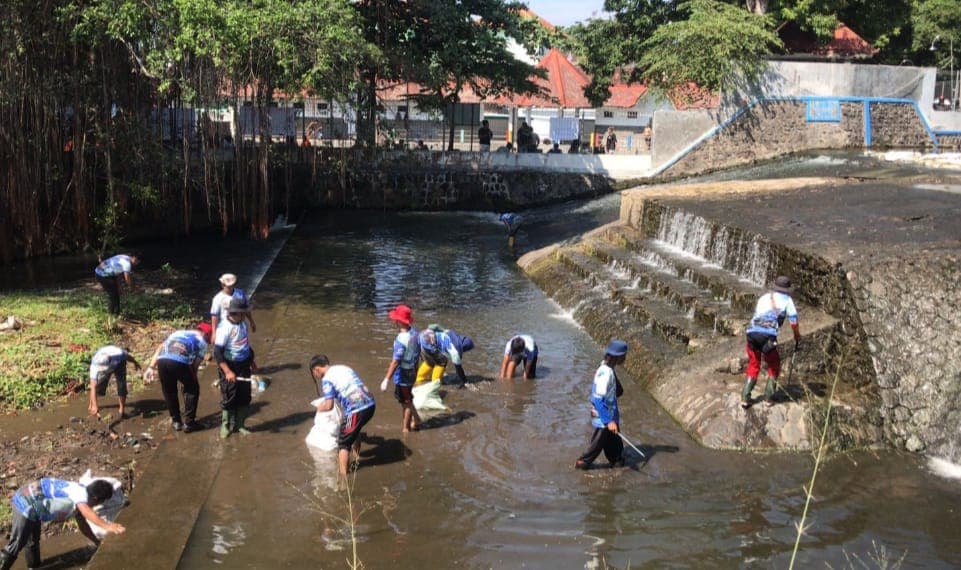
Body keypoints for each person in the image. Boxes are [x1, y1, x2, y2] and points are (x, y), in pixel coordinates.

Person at [0, 478, 125, 570]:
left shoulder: (79, 493)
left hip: (32, 501)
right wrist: (108, 526)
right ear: (96, 499)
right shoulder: (80, 496)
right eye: (99, 503)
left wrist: (96, 542)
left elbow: (83, 525)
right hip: (25, 504)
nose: (95, 507)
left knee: (32, 540)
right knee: (16, 544)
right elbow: (87, 512)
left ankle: (34, 566)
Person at [309, 355, 377, 479]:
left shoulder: (327, 379)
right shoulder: (343, 368)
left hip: (356, 409)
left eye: (314, 374)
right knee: (355, 430)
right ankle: (356, 458)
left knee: (343, 444)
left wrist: (319, 408)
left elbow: (329, 405)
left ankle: (343, 478)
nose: (316, 376)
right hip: (370, 404)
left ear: (316, 369)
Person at [741, 275, 802, 409]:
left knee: (754, 363)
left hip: (751, 333)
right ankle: (768, 398)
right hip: (767, 337)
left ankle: (745, 397)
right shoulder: (787, 301)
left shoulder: (764, 297)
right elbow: (793, 321)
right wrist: (797, 335)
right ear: (787, 290)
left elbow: (757, 316)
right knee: (774, 364)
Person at [146, 322, 212, 432]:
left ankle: (176, 422)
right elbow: (194, 365)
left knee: (169, 391)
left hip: (162, 360)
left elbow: (160, 347)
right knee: (193, 389)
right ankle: (189, 423)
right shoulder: (202, 342)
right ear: (206, 334)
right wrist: (189, 382)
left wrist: (151, 367)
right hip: (180, 361)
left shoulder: (178, 333)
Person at [575, 340, 628, 469]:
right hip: (604, 416)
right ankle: (582, 463)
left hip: (609, 415)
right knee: (597, 444)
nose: (625, 358)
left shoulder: (607, 367)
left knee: (614, 442)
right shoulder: (606, 373)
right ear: (618, 357)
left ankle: (617, 461)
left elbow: (618, 391)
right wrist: (608, 421)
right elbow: (598, 399)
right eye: (624, 356)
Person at [215, 298, 258, 438]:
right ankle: (225, 426)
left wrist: (252, 362)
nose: (245, 315)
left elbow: (245, 344)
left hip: (244, 364)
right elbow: (217, 353)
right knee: (230, 396)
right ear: (235, 313)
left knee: (245, 396)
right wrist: (227, 371)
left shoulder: (243, 324)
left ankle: (240, 425)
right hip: (230, 365)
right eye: (243, 313)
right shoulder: (224, 328)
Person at [380, 304, 422, 432]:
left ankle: (406, 429)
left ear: (398, 321)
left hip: (404, 374)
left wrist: (386, 379)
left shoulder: (401, 339)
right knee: (408, 396)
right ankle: (417, 419)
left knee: (406, 402)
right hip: (413, 370)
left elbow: (395, 361)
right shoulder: (415, 333)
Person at [88, 345, 142, 418]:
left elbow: (127, 356)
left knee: (122, 385)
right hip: (106, 364)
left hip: (119, 364)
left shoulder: (119, 354)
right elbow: (93, 386)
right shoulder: (94, 365)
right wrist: (95, 406)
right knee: (98, 385)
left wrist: (135, 362)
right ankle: (92, 406)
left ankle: (122, 411)